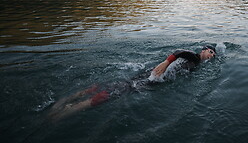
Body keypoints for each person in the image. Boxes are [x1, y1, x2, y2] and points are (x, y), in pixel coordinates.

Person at [48, 45, 216, 121]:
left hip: (150, 75)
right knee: (113, 93)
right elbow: (180, 52)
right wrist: (165, 63)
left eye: (214, 55)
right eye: (210, 51)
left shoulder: (197, 66)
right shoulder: (194, 57)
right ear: (203, 50)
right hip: (153, 77)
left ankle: (66, 101)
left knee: (116, 86)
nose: (211, 55)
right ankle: (66, 111)